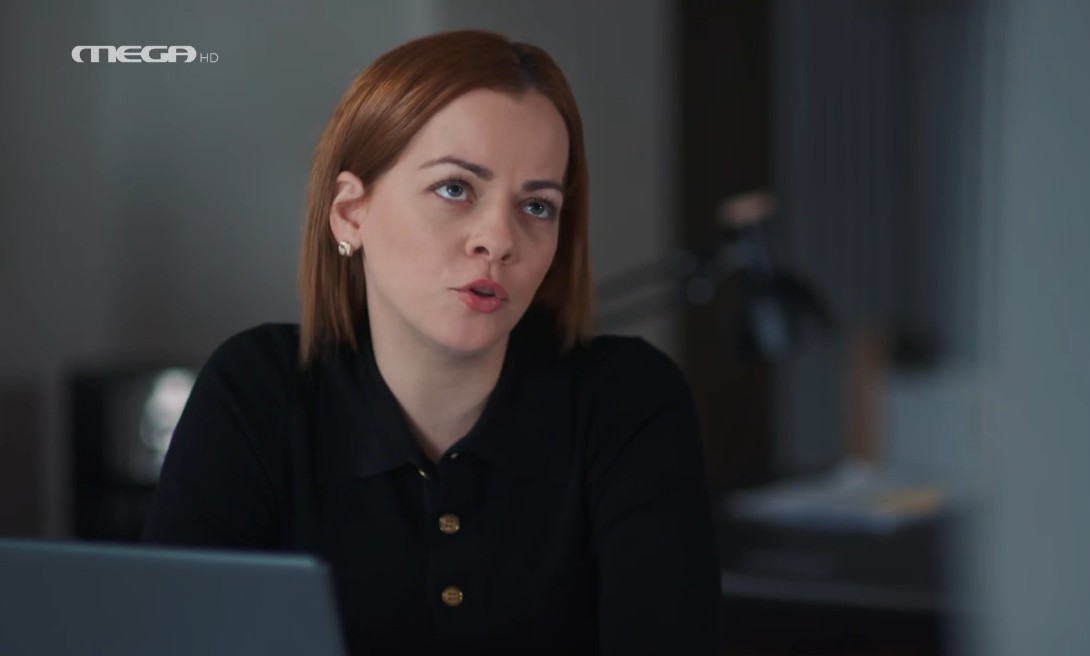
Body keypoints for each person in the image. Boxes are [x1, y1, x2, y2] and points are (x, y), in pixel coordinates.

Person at [140, 29, 721, 655]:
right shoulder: (255, 391)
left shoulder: (629, 400)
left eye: (537, 206)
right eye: (455, 188)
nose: (498, 240)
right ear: (351, 213)